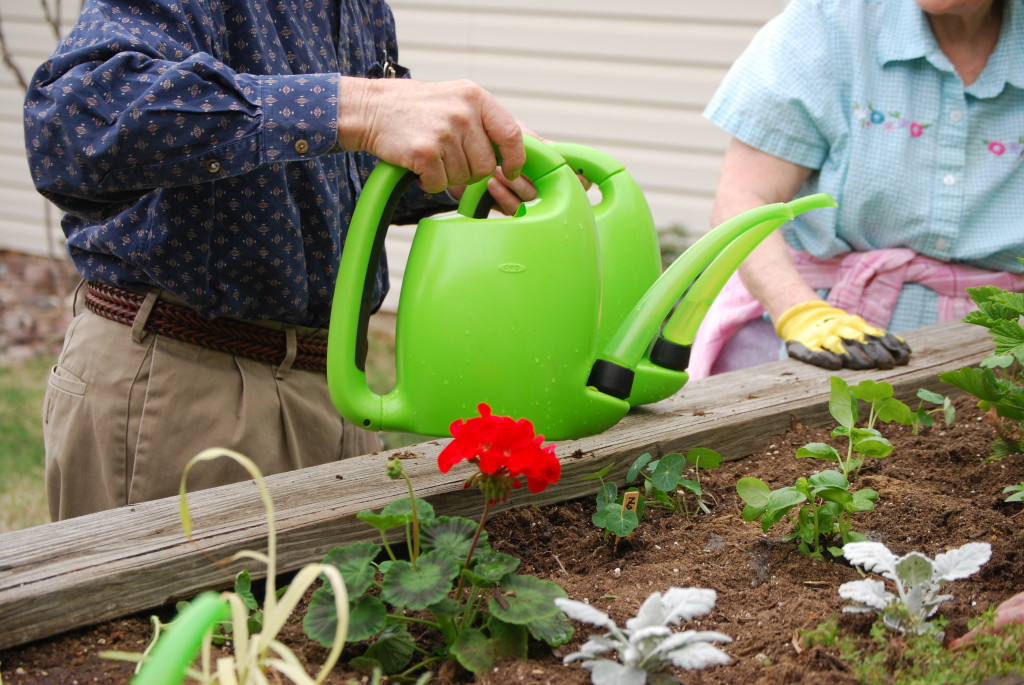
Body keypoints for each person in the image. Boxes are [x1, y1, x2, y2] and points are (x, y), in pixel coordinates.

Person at [23, 0, 537, 520]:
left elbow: (330, 177)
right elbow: (73, 123)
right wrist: (361, 106)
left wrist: (465, 166)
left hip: (333, 390)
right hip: (183, 384)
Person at [688, 0, 1024, 379]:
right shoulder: (827, 22)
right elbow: (742, 201)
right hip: (808, 332)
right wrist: (802, 313)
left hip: (996, 346)